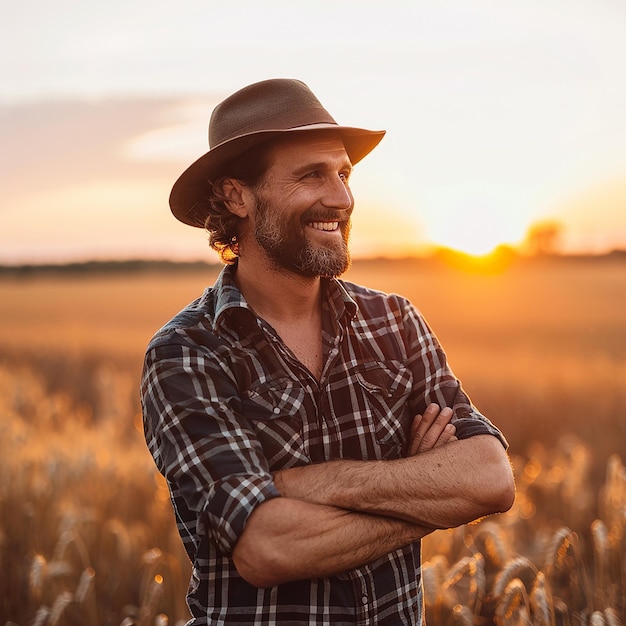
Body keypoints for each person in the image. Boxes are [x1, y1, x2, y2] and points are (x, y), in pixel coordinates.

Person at [141, 78, 515, 625]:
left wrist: (301, 485)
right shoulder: (189, 353)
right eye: (311, 175)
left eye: (343, 173)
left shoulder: (395, 322)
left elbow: (490, 479)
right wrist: (425, 491)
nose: (340, 198)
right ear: (235, 196)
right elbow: (269, 548)